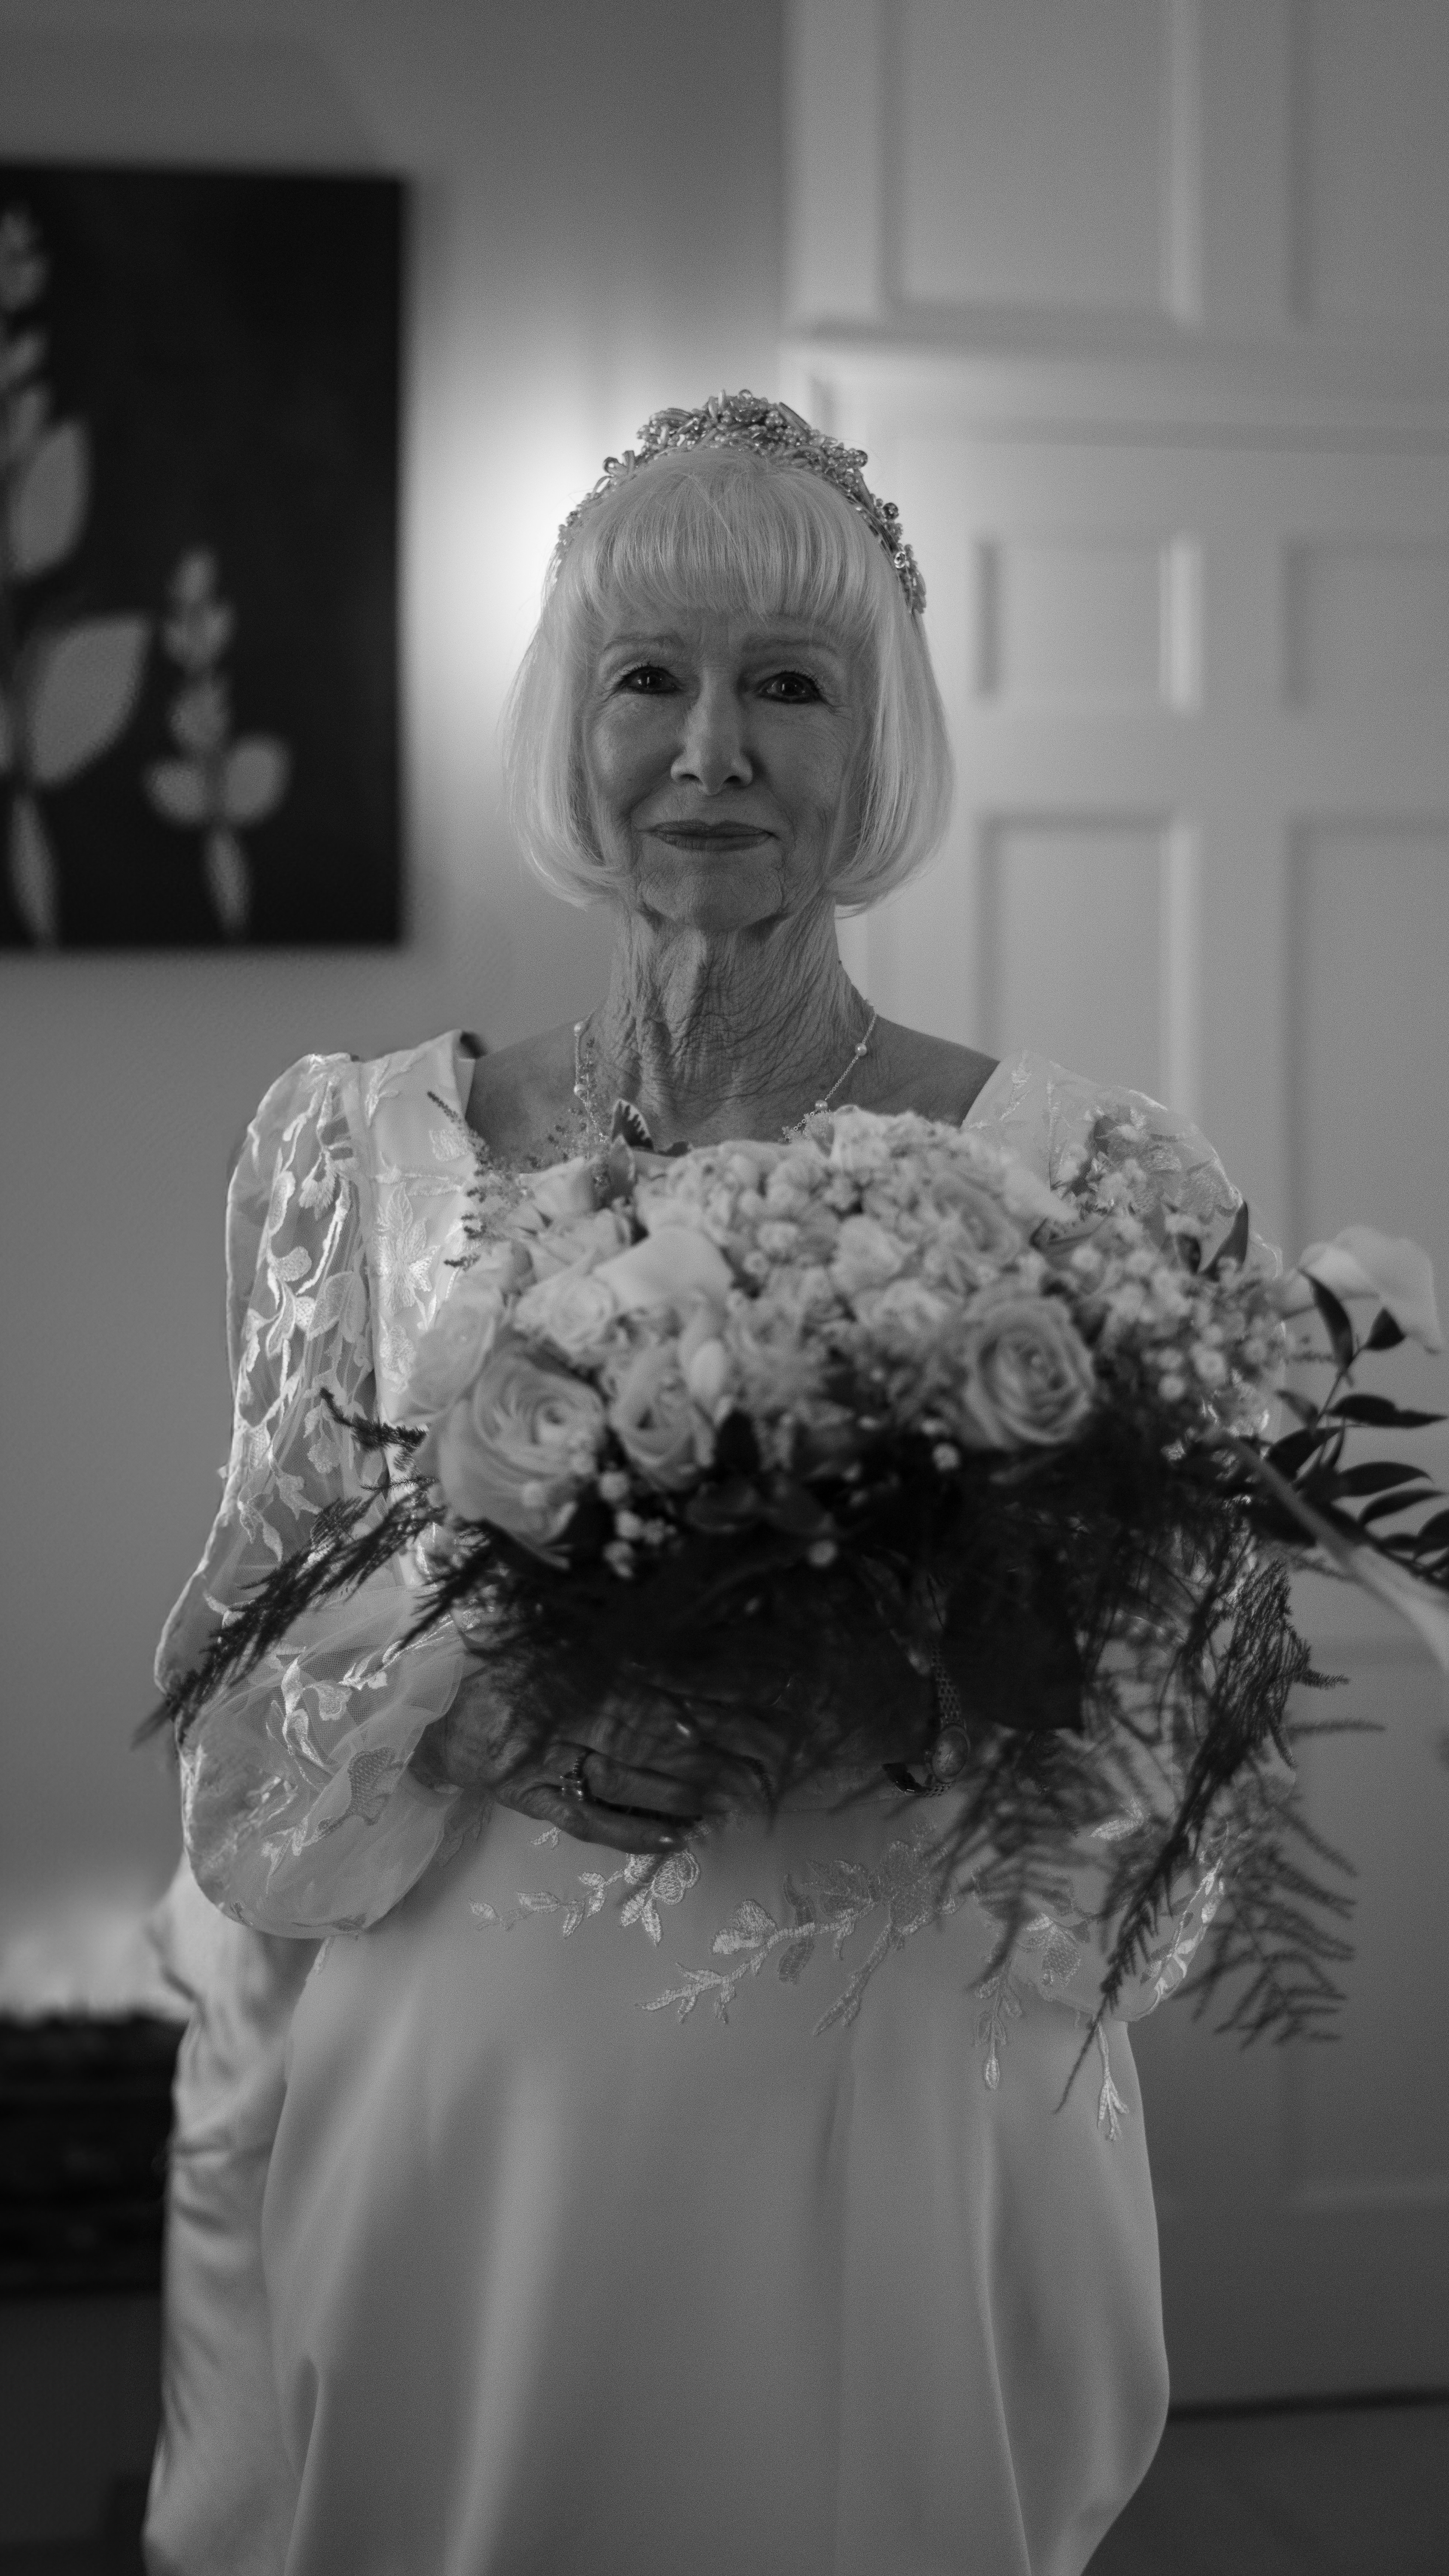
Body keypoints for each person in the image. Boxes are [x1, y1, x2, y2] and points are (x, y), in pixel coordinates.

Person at [151, 394, 1250, 2576]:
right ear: (570, 722)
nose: (708, 749)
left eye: (789, 684)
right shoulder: (355, 1154)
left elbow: (1177, 1790)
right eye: (648, 676)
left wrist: (880, 1702)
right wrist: (498, 1689)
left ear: (881, 744)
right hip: (467, 2133)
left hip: (884, 2126)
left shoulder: (1081, 1183)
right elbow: (236, 1723)